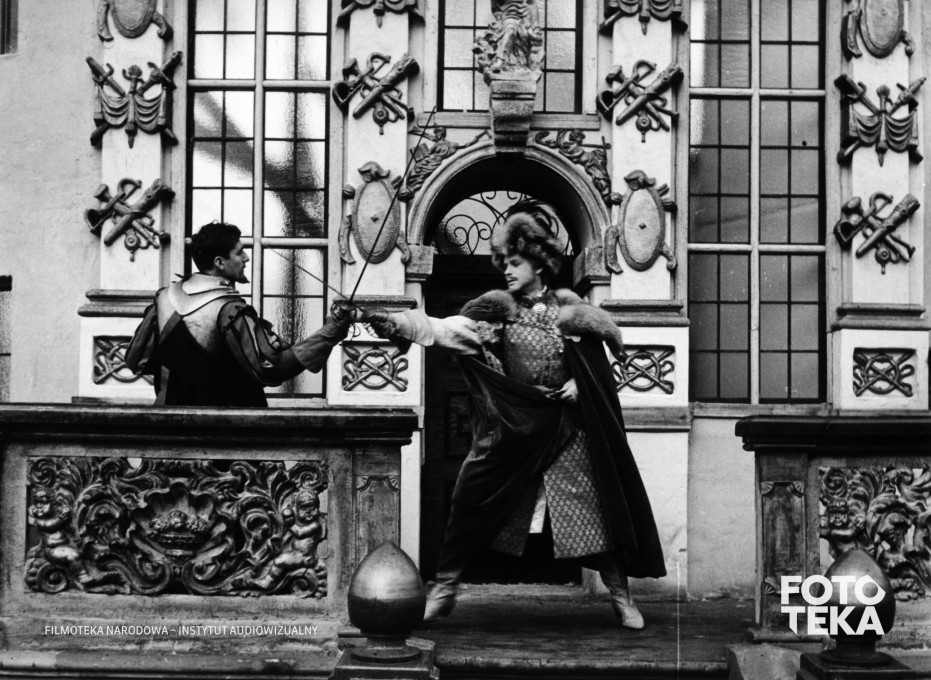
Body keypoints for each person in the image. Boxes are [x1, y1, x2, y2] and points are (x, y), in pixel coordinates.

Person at [363, 201, 666, 628]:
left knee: (594, 511)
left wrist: (581, 384)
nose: (506, 270)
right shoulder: (497, 310)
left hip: (565, 431)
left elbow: (600, 368)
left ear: (538, 263)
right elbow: (448, 329)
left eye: (515, 263)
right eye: (504, 263)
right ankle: (444, 590)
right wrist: (399, 324)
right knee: (470, 500)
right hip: (514, 430)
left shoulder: (573, 311)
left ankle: (621, 598)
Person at [126, 222, 352, 406]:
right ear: (219, 262)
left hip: (168, 423)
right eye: (239, 252)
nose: (246, 258)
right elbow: (272, 368)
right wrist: (331, 330)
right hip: (226, 429)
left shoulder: (163, 299)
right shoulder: (230, 310)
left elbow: (136, 361)